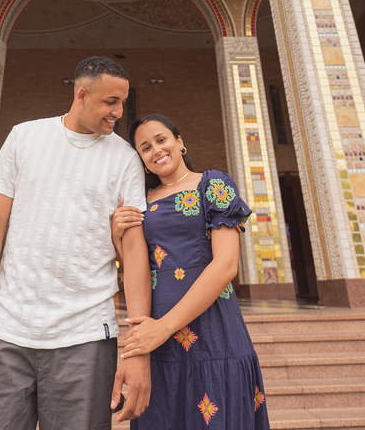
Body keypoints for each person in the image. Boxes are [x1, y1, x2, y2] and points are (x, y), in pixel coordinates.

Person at [0, 56, 153, 429]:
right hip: (6, 332)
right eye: (111, 102)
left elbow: (133, 250)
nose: (119, 112)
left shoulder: (126, 159)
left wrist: (137, 348)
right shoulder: (24, 137)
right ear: (81, 95)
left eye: (123, 102)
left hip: (87, 336)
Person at [111, 113, 269, 429]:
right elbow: (136, 267)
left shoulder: (213, 184)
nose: (156, 150)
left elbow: (226, 265)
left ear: (179, 142)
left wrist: (164, 327)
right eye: (145, 148)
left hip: (212, 328)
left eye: (161, 139)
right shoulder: (142, 201)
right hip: (158, 336)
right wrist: (117, 234)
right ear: (141, 160)